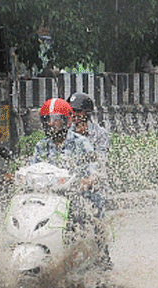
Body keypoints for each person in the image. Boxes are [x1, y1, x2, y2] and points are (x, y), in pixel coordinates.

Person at [32, 98, 111, 268]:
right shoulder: (41, 146)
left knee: (90, 219)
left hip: (80, 195)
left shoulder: (82, 143)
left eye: (56, 119)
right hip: (52, 198)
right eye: (47, 120)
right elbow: (34, 168)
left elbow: (94, 166)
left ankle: (102, 261)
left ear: (66, 120)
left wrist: (89, 179)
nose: (51, 124)